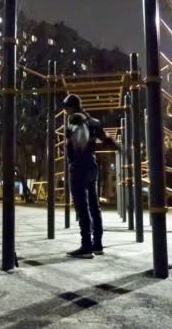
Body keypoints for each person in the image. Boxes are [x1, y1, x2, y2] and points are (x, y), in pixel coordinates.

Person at [63, 94, 120, 258]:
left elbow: (74, 143)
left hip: (78, 166)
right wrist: (117, 146)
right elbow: (106, 139)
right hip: (92, 165)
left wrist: (72, 156)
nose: (66, 112)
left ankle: (86, 246)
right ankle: (97, 244)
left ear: (71, 107)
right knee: (94, 206)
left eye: (66, 108)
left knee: (81, 206)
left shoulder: (74, 119)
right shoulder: (94, 122)